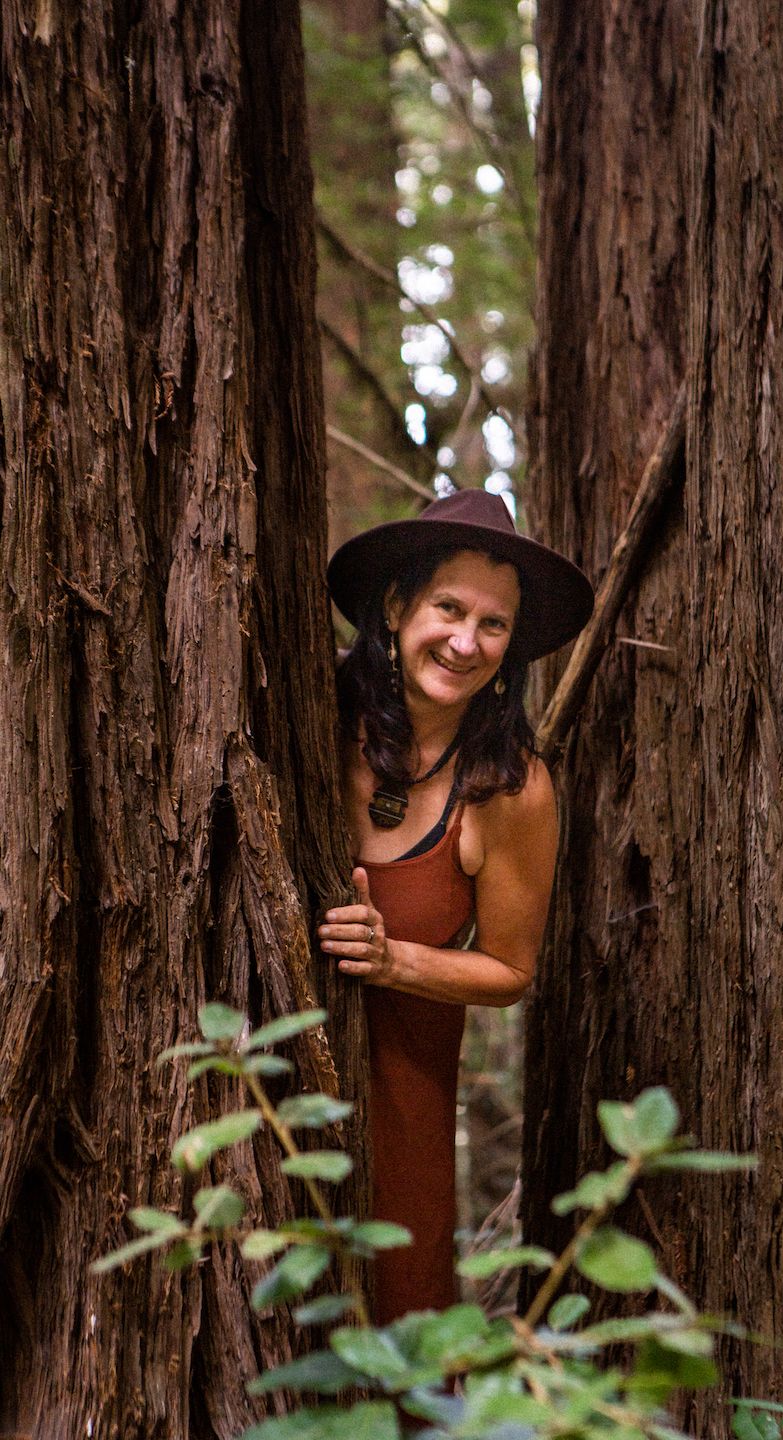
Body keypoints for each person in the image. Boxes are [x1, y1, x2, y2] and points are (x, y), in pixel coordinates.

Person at [318, 488, 593, 1323]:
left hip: (402, 1115)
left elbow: (509, 970)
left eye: (493, 624)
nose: (466, 641)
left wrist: (391, 959)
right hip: (257, 1092)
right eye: (448, 607)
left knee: (400, 1332)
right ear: (396, 608)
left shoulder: (510, 789)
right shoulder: (310, 713)